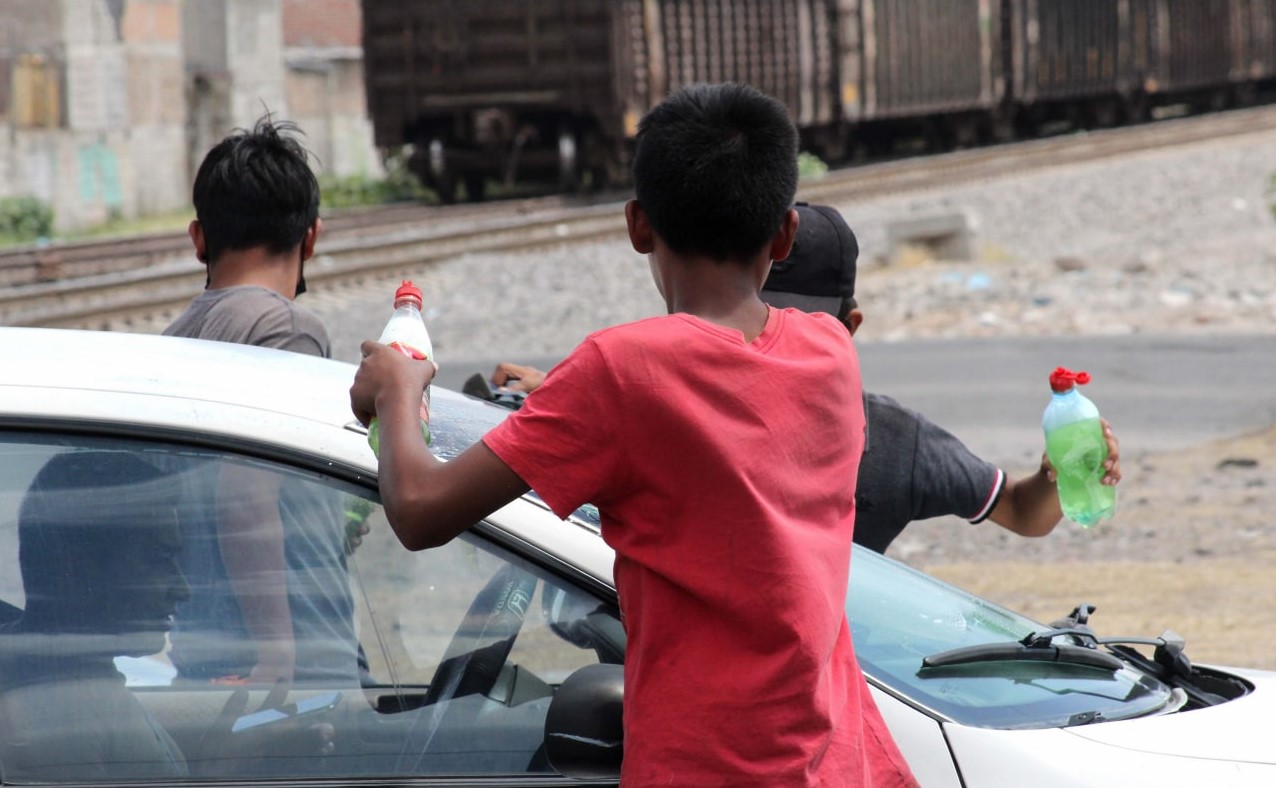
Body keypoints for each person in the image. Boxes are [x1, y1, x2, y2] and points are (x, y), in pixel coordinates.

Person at [351, 82, 916, 786]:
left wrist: (400, 388)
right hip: (842, 765)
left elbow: (420, 510)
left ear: (637, 226)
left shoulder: (619, 373)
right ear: (784, 234)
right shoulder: (829, 350)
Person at [489, 203, 1124, 554]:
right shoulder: (895, 442)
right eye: (758, 320)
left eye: (791, 323)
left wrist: (1057, 472)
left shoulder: (654, 412)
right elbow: (1021, 512)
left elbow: (1022, 506)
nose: (764, 339)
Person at [164, 114, 358, 687]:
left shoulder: (176, 339)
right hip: (288, 661)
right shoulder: (288, 329)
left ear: (199, 239)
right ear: (312, 236)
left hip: (203, 644)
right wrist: (276, 652)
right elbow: (245, 501)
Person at [0, 453, 192, 781]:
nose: (182, 588)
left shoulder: (72, 682)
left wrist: (222, 769)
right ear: (76, 568)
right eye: (159, 559)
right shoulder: (58, 714)